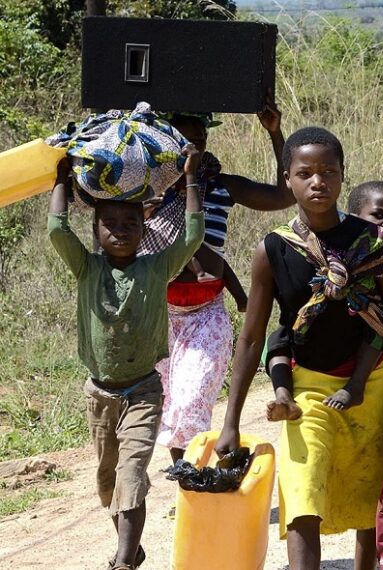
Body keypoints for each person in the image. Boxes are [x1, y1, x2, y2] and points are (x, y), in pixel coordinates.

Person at [215, 127, 383, 570]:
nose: (318, 181)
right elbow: (253, 337)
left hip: (374, 387)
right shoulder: (272, 249)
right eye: (305, 172)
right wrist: (229, 421)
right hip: (308, 392)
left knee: (374, 503)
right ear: (287, 178)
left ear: (342, 176)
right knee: (302, 497)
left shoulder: (372, 242)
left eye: (328, 171)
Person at [48, 147, 204, 570]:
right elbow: (57, 231)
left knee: (131, 475)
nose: (119, 230)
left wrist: (191, 179)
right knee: (107, 483)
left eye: (130, 223)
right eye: (109, 224)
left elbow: (193, 237)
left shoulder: (156, 268)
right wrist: (60, 180)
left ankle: (122, 563)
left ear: (143, 226)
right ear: (95, 229)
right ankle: (131, 548)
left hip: (143, 390)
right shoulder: (87, 269)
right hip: (99, 394)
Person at [139, 101, 292, 467]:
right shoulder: (149, 189)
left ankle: (193, 477)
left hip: (205, 313)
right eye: (186, 140)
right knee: (171, 405)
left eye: (201, 139)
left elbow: (284, 196)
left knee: (192, 398)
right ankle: (185, 480)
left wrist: (275, 133)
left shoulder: (220, 187)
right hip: (156, 315)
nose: (195, 146)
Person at [265, 180, 383, 420]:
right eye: (379, 216)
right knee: (278, 339)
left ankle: (356, 385)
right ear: (353, 218)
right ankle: (283, 396)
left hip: (369, 319)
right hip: (318, 321)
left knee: (378, 327)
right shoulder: (326, 243)